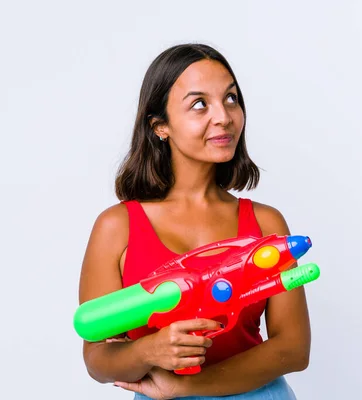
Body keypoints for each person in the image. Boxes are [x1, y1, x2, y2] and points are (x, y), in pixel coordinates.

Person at [77, 43, 312, 400]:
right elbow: (96, 358)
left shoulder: (265, 223)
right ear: (160, 126)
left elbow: (294, 348)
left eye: (231, 99)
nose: (224, 116)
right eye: (199, 104)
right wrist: (148, 351)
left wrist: (187, 386)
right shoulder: (117, 227)